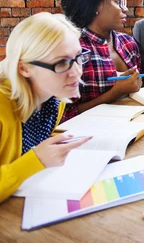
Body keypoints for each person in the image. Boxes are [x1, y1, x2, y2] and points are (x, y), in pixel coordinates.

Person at [0, 13, 93, 203]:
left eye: (78, 57)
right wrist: (35, 160)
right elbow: (30, 159)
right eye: (61, 63)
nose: (76, 72)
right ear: (24, 68)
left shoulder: (54, 98)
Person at [61, 0, 142, 120]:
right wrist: (113, 94)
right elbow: (63, 116)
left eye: (123, 1)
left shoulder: (128, 43)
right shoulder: (74, 51)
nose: (125, 9)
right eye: (118, 1)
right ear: (94, 5)